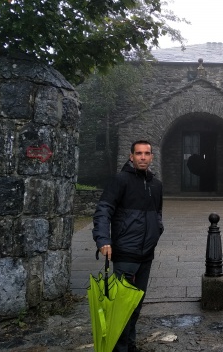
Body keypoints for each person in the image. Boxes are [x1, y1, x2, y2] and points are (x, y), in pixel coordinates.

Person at [92, 140, 164, 352]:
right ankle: (120, 348)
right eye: (139, 153)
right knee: (121, 306)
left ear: (151, 157)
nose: (143, 157)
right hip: (125, 252)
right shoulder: (120, 180)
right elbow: (103, 209)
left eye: (147, 153)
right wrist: (103, 239)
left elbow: (157, 213)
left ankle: (130, 344)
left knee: (136, 305)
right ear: (131, 156)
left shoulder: (156, 185)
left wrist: (157, 230)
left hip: (146, 255)